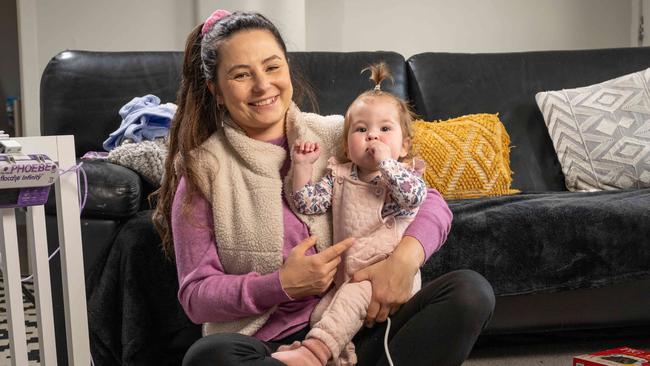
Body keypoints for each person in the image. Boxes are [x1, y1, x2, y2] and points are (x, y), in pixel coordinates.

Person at [152, 9, 495, 366]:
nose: (262, 85)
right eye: (241, 75)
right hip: (271, 346)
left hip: (359, 323)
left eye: (272, 67)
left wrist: (403, 262)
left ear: (287, 67)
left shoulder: (338, 135)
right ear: (216, 91)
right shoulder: (203, 171)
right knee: (208, 356)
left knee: (470, 293)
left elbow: (430, 202)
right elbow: (196, 295)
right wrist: (281, 284)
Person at [272, 63, 427, 365]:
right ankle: (340, 355)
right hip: (347, 276)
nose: (373, 137)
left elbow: (413, 198)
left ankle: (314, 353)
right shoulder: (338, 175)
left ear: (404, 145)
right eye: (361, 129)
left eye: (385, 130)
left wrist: (387, 163)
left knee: (350, 302)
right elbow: (308, 204)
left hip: (387, 273)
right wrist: (303, 167)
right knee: (321, 314)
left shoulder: (403, 175)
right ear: (346, 144)